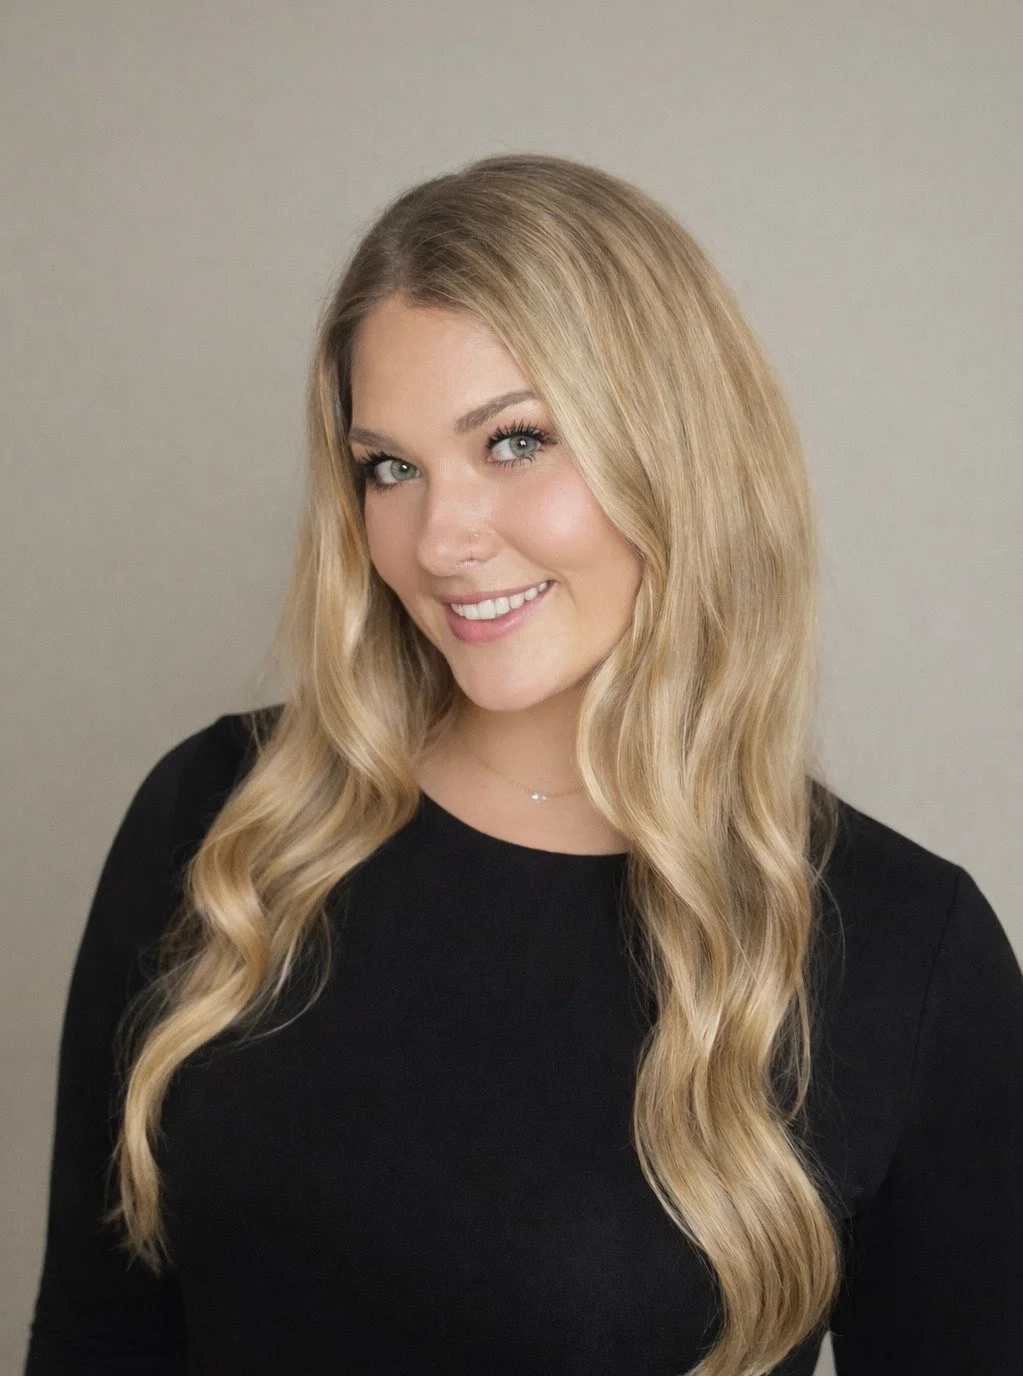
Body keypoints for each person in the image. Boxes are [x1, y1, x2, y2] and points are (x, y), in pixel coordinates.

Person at [24, 153, 1023, 1376]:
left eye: (514, 441)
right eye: (388, 466)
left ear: (677, 451)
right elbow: (94, 1337)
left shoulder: (902, 950)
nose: (441, 538)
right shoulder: (222, 820)